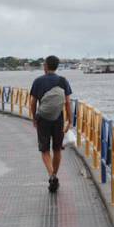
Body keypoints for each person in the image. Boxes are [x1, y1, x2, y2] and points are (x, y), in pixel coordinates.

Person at [30, 55, 72, 193]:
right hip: (58, 119)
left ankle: (51, 175)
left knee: (45, 150)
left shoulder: (38, 81)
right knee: (57, 149)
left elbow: (33, 102)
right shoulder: (63, 81)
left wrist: (34, 118)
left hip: (43, 119)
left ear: (46, 66)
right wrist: (70, 120)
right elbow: (68, 102)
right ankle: (55, 174)